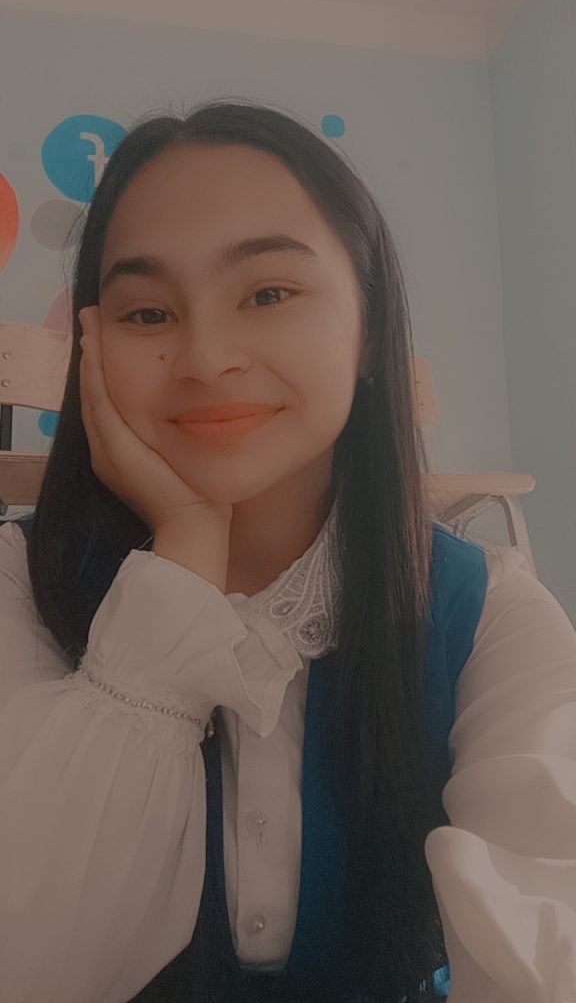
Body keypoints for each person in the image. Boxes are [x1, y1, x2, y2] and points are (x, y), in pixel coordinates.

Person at [0, 98, 575, 1003]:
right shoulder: (14, 584)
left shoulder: (489, 612)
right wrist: (182, 558)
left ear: (372, 334)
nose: (207, 356)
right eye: (146, 313)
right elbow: (31, 965)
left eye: (269, 293)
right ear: (91, 347)